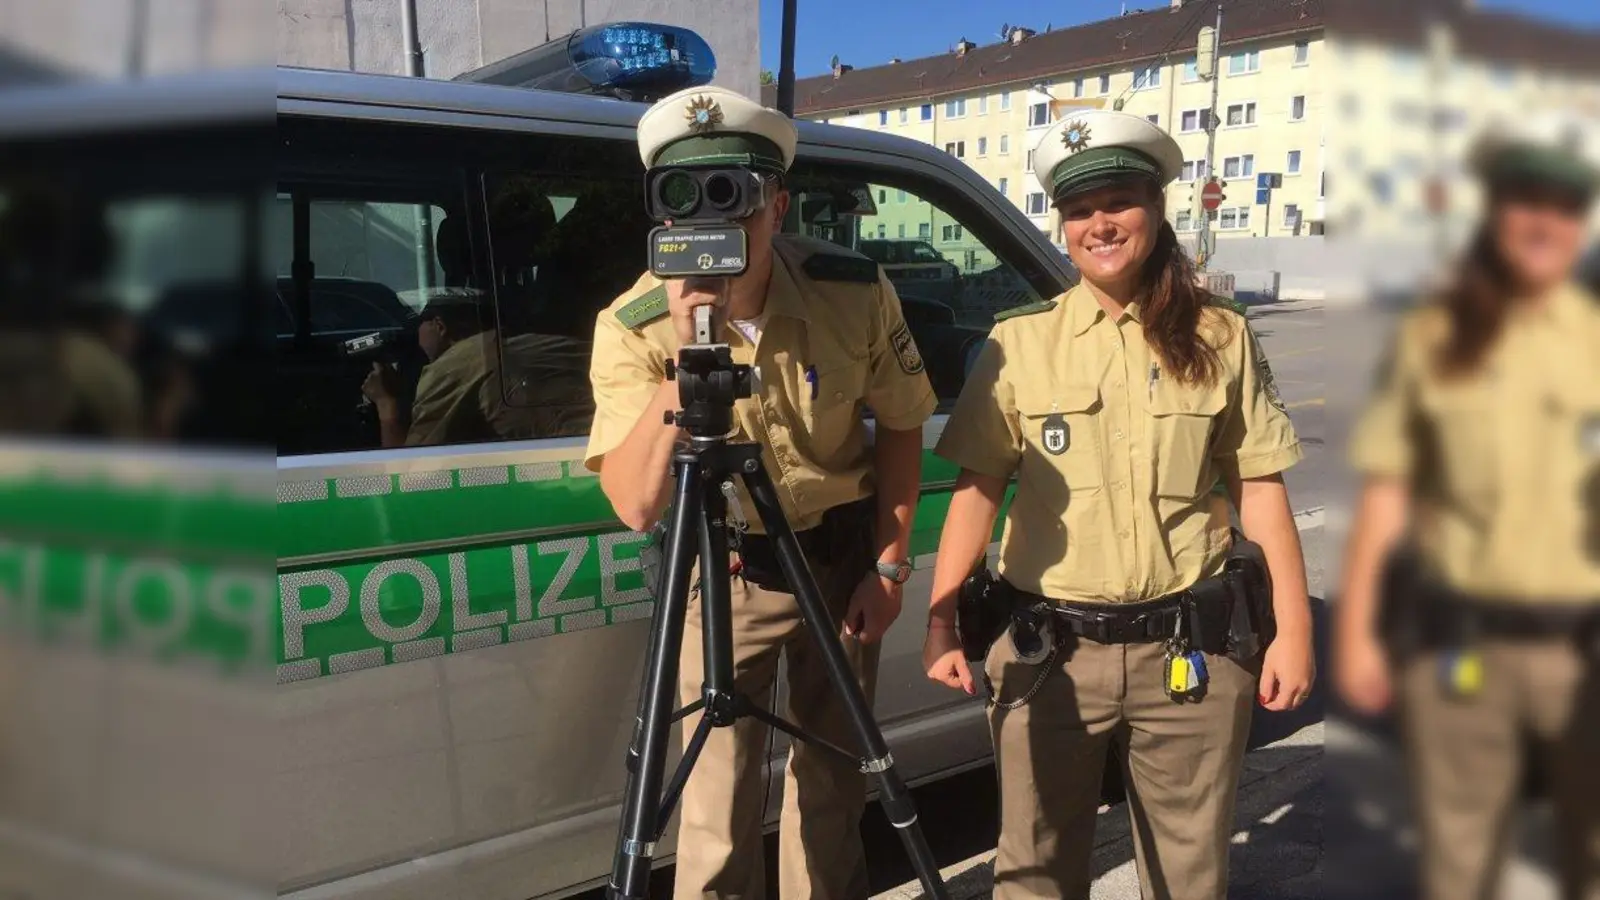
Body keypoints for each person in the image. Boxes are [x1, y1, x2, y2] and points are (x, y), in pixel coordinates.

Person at [923, 109, 1316, 900]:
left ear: (1156, 208)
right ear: (1063, 226)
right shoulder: (1017, 343)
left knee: (1188, 876)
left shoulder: (1220, 336)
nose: (1098, 225)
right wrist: (941, 622)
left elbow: (1261, 489)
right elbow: (978, 489)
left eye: (1118, 203)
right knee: (1035, 871)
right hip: (1049, 655)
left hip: (1191, 654)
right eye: (1078, 210)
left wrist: (1294, 631)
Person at [583, 85, 936, 899]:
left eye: (734, 196)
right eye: (687, 199)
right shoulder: (633, 322)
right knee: (715, 808)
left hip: (839, 564)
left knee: (833, 792)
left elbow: (904, 424)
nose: (715, 223)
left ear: (777, 206)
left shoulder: (851, 290)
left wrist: (889, 567)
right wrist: (685, 357)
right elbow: (635, 504)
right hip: (723, 569)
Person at [1335, 110, 1600, 900]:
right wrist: (1358, 637)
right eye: (1525, 202)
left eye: (1563, 206)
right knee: (1459, 863)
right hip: (1463, 650)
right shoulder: (1434, 338)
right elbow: (1388, 491)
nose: (1543, 223)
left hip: (1587, 652)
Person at [361, 287, 590, 445]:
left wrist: (386, 402)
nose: (416, 335)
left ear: (439, 326)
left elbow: (410, 472)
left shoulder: (455, 366)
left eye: (418, 324)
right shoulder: (531, 345)